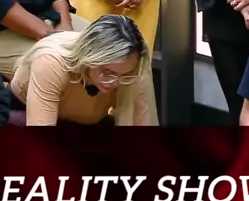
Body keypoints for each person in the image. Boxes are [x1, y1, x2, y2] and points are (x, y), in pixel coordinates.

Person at [10, 14, 159, 126]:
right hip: (25, 114)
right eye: (107, 73)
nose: (115, 83)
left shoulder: (133, 71)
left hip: (84, 123)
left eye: (125, 75)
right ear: (89, 57)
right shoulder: (51, 62)